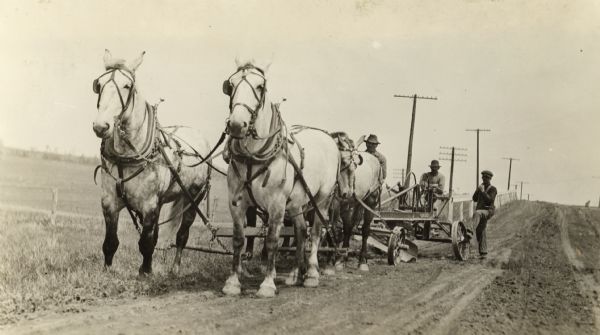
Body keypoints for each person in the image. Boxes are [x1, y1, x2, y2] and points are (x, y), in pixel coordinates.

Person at [469, 170, 497, 259]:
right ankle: (483, 252)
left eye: (486, 178)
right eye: (483, 177)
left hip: (488, 211)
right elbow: (474, 199)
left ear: (489, 179)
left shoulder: (493, 189)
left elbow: (490, 200)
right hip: (481, 212)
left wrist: (483, 191)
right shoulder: (481, 187)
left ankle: (469, 231)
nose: (484, 179)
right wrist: (478, 190)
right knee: (480, 230)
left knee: (477, 213)